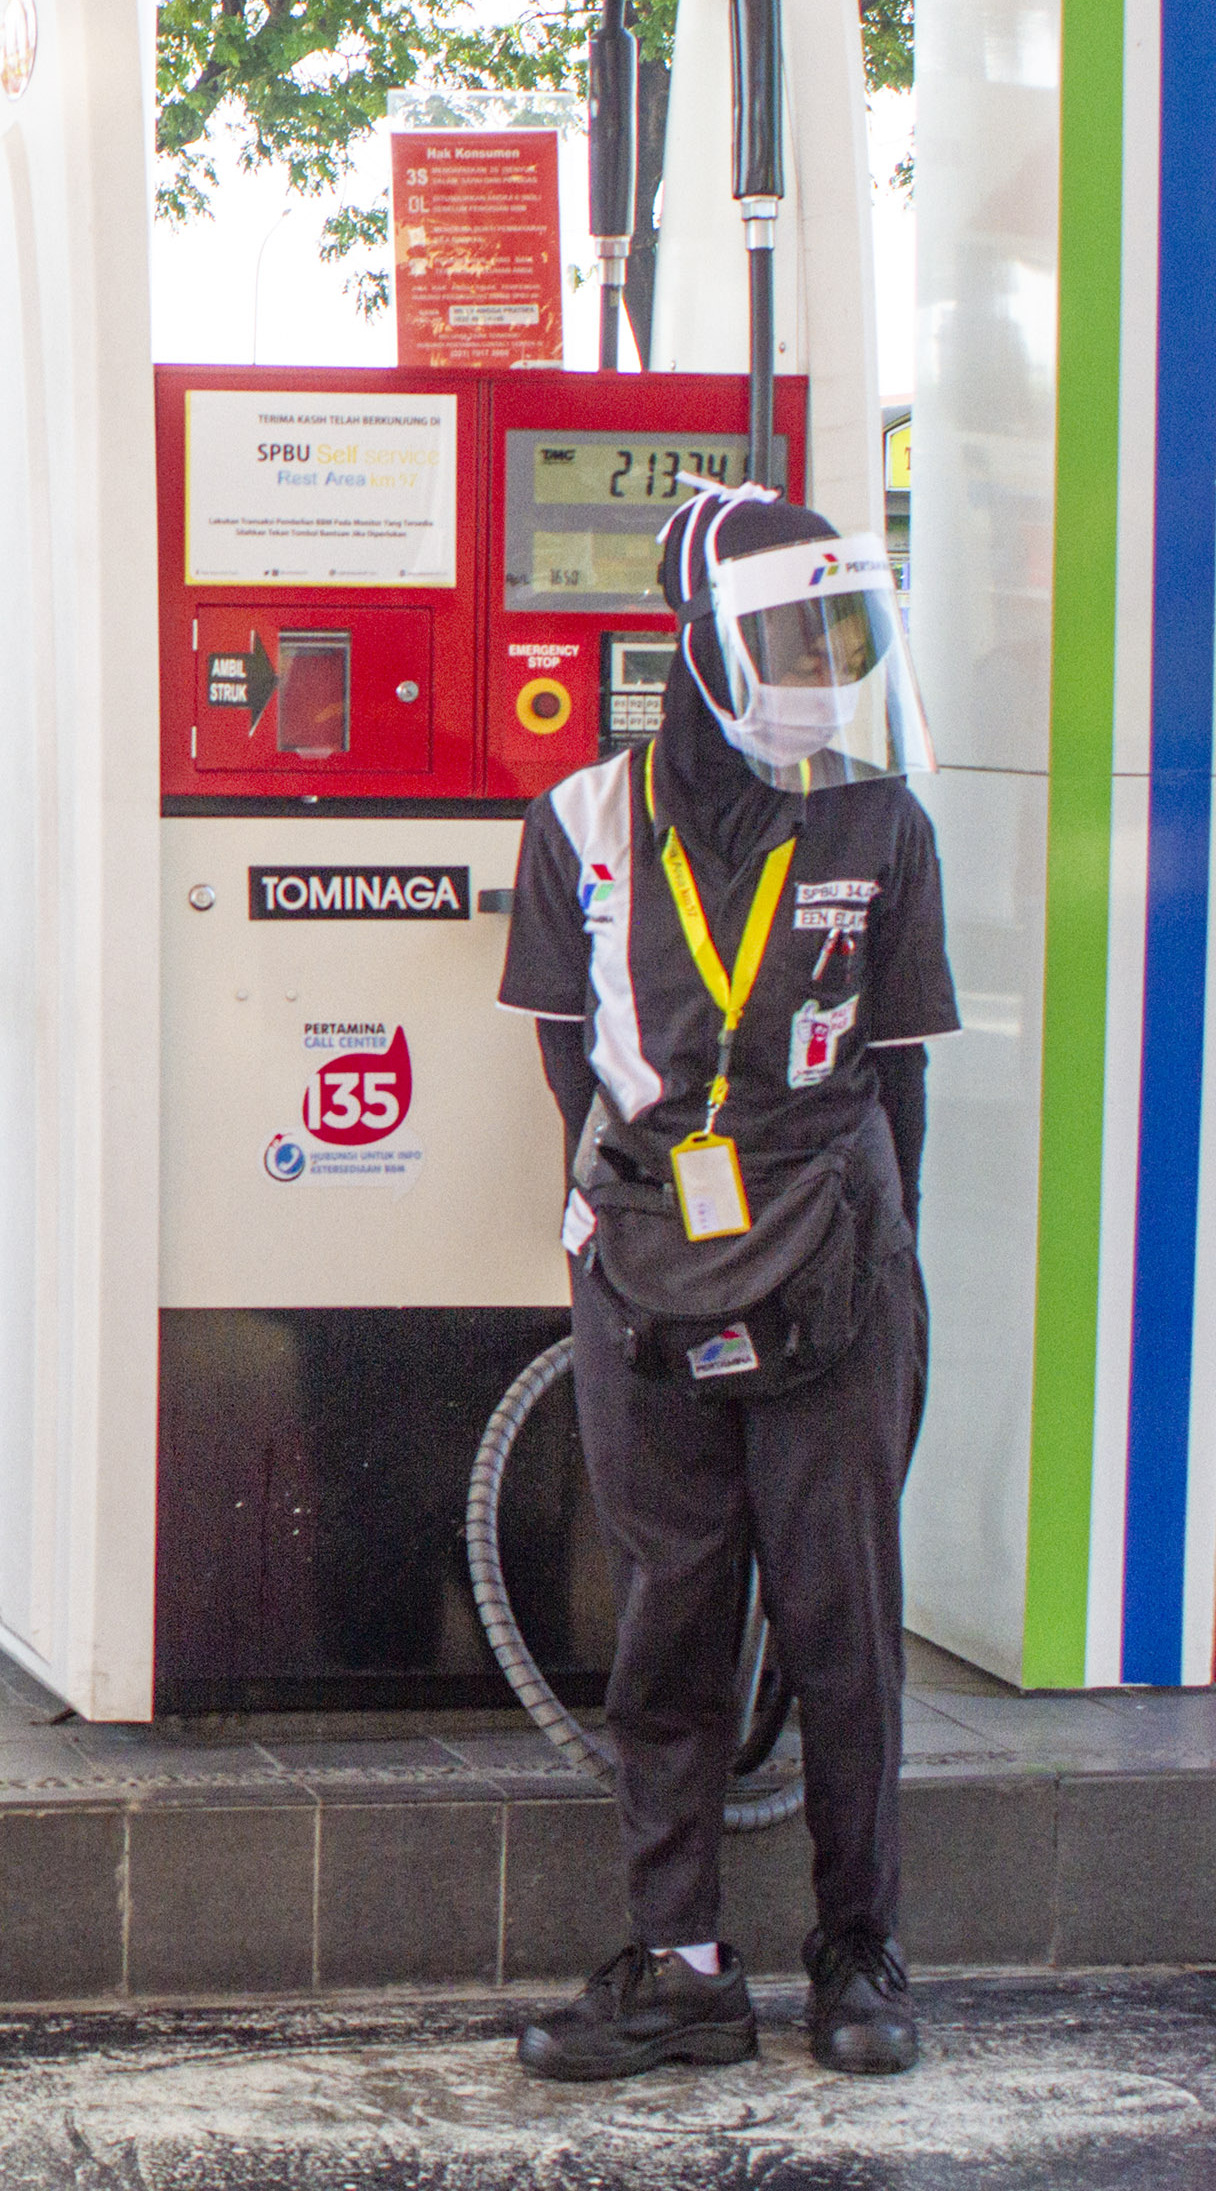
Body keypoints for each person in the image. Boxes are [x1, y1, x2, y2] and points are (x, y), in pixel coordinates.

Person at [501, 483, 953, 2085]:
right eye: (788, 634)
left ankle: (861, 1948)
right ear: (701, 642)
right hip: (645, 1273)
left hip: (840, 1280)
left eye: (845, 631)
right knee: (672, 1628)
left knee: (845, 1632)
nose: (824, 666)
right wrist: (644, 1225)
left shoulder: (883, 821)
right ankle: (682, 1964)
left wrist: (889, 1279)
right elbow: (574, 1075)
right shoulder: (578, 823)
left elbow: (899, 1084)